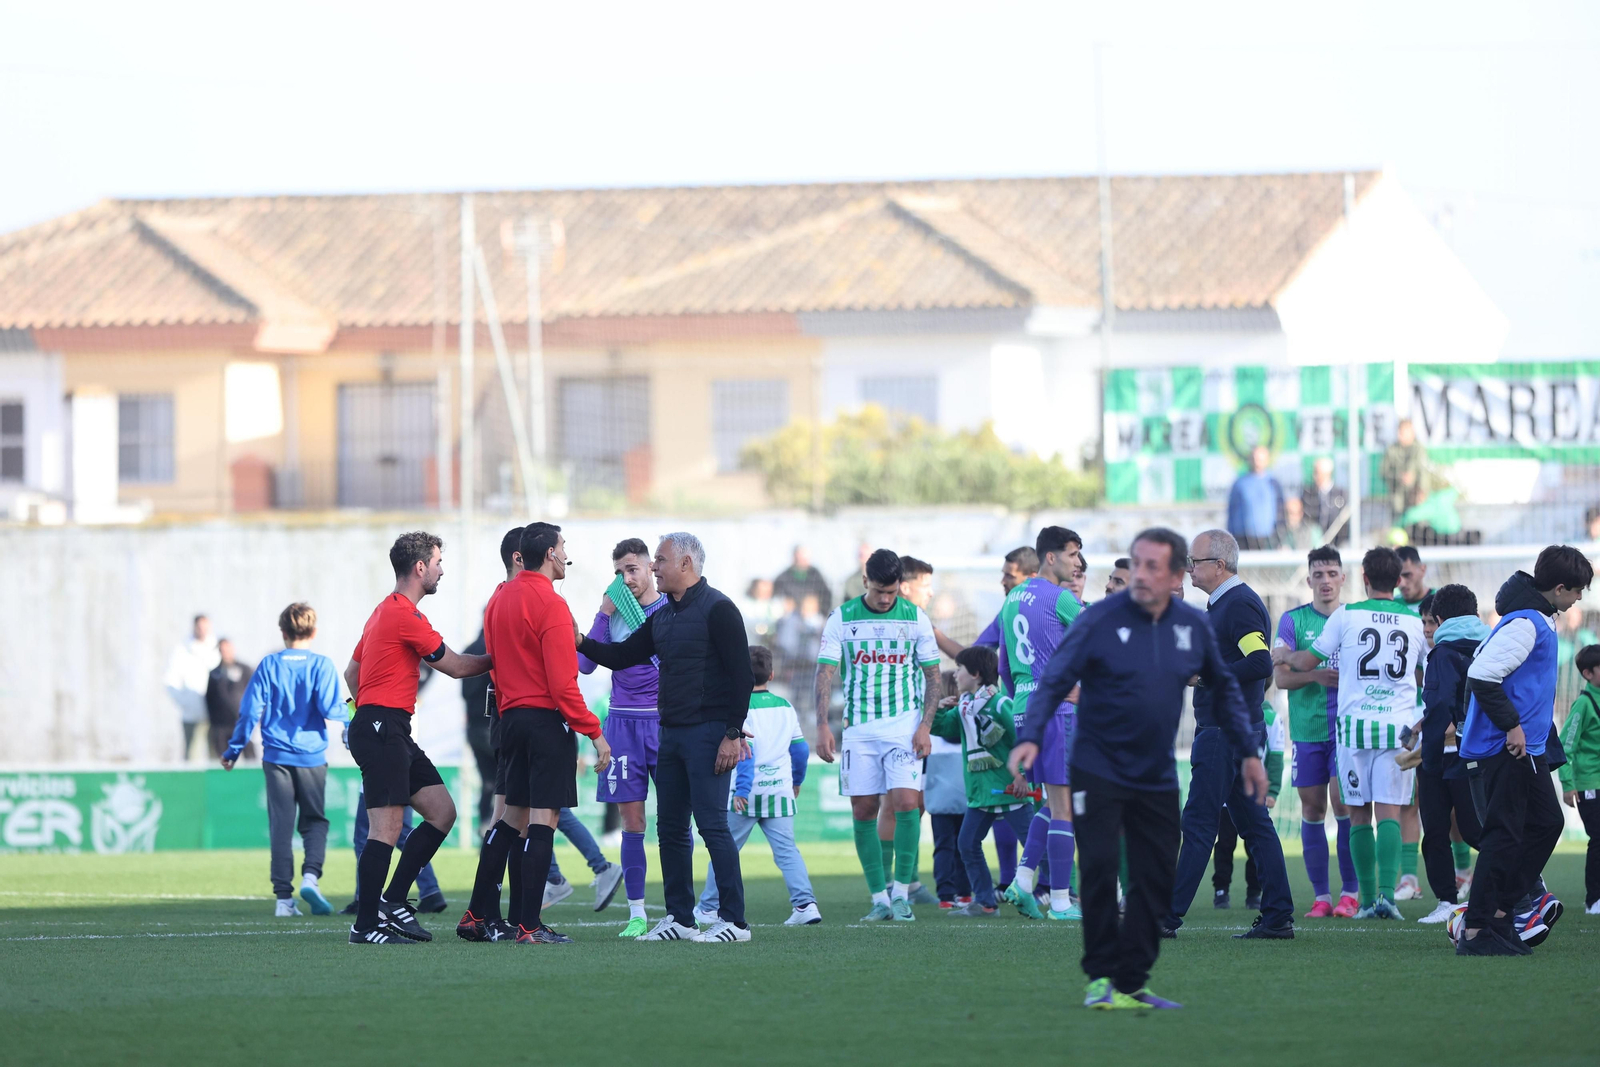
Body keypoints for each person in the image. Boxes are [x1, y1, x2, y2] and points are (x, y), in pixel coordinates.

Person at [1009, 527, 1266, 1011]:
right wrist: (1029, 736)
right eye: (1138, 564)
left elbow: (1226, 691)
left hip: (1156, 774)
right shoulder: (1099, 619)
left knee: (1152, 879)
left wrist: (1250, 753)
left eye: (1155, 566)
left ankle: (1132, 980)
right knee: (1102, 872)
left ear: (1175, 575)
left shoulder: (1193, 625)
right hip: (1097, 768)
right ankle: (1101, 981)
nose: (1144, 574)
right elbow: (1055, 678)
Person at [579, 532, 757, 943]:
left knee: (712, 826)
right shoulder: (663, 617)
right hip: (670, 733)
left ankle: (735, 922)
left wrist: (731, 734)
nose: (654, 567)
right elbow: (622, 656)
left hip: (710, 734)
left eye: (658, 560)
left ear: (686, 565)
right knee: (671, 829)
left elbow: (742, 676)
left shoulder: (720, 609)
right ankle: (680, 918)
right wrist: (581, 641)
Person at [343, 531, 491, 946]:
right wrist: (506, 656)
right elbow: (459, 667)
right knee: (385, 831)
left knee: (442, 812)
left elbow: (351, 675)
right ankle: (365, 925)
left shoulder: (381, 612)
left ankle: (392, 901)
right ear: (420, 567)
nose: (442, 569)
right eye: (439, 562)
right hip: (382, 728)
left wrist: (370, 710)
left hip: (388, 727)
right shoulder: (403, 615)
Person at [1455, 546, 1591, 954]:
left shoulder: (1538, 618)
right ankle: (1476, 931)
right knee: (1503, 835)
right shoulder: (1527, 623)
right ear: (1560, 588)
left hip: (1526, 749)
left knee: (1547, 824)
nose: (1580, 599)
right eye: (1578, 591)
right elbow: (1481, 674)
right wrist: (1512, 726)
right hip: (1505, 747)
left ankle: (1501, 914)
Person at [1282, 547, 1425, 921]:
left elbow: (1308, 661)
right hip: (1397, 730)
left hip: (1354, 731)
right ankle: (1388, 897)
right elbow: (1426, 674)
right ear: (1398, 581)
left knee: (1359, 816)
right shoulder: (1412, 621)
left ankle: (1362, 902)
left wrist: (1285, 657)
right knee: (1390, 814)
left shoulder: (1346, 616)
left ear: (1361, 578)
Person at [1165, 529, 1295, 938]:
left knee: (1200, 823)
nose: (1189, 569)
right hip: (1232, 730)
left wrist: (1206, 678)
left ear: (1219, 565)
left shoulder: (1238, 604)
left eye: (1195, 561)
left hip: (1224, 731)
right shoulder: (1222, 606)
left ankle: (1165, 917)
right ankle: (1277, 916)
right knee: (1254, 825)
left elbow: (1259, 663)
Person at [813, 548, 940, 922]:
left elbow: (933, 677)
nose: (885, 599)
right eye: (879, 591)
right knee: (865, 809)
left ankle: (902, 893)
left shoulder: (915, 617)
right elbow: (825, 673)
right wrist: (822, 724)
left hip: (904, 727)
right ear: (865, 581)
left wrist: (924, 726)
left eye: (892, 592)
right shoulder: (842, 618)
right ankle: (879, 898)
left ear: (900, 586)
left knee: (906, 803)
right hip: (859, 730)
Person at [221, 602, 344, 916]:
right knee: (315, 821)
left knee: (281, 825)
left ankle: (283, 901)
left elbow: (250, 711)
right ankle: (311, 878)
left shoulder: (268, 665)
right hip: (312, 757)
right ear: (313, 632)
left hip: (276, 756)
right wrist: (355, 714)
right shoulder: (322, 665)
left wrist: (233, 750)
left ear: (283, 631)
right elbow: (331, 709)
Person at [578, 536, 669, 937]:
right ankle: (636, 914)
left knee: (675, 820)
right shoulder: (614, 611)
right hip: (623, 726)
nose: (626, 578)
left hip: (666, 723)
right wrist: (602, 613)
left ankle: (685, 908)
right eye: (619, 571)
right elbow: (583, 664)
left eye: (632, 569)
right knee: (632, 821)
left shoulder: (671, 607)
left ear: (651, 568)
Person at [696, 646, 819, 926]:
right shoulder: (786, 706)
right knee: (787, 851)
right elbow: (799, 751)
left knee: (724, 850)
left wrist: (741, 789)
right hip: (779, 791)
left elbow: (745, 751)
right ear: (772, 674)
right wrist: (796, 781)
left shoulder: (739, 706)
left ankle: (707, 908)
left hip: (746, 794)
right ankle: (806, 905)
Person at [998, 526, 1083, 922]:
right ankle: (1063, 902)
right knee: (1065, 806)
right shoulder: (1062, 599)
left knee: (1051, 801)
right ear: (1051, 557)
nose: (1077, 562)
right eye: (1071, 554)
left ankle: (1023, 879)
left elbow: (1003, 665)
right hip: (1057, 709)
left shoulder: (1013, 597)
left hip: (1024, 708)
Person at [1273, 545, 1361, 919]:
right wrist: (1314, 675)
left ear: (1343, 578)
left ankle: (1351, 893)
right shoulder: (1292, 621)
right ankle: (1322, 896)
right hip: (1307, 730)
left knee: (1344, 805)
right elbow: (1279, 676)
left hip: (1347, 730)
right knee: (1312, 808)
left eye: (1332, 573)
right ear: (1309, 580)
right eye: (1318, 575)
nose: (1325, 581)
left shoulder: (1356, 619)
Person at [932, 645, 1032, 917]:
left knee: (1037, 844)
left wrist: (1022, 775)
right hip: (981, 792)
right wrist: (939, 709)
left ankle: (1065, 893)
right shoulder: (964, 706)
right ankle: (986, 903)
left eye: (959, 669)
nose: (954, 675)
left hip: (1011, 791)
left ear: (975, 674)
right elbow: (942, 729)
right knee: (967, 844)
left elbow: (1024, 739)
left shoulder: (1001, 703)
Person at [1415, 583, 1488, 924]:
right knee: (1435, 831)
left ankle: (1521, 884)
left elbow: (1444, 705)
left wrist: (1433, 743)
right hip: (1458, 754)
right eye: (1424, 623)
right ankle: (1447, 899)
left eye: (1432, 622)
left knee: (1475, 829)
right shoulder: (1487, 644)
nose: (1429, 629)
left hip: (1458, 755)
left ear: (1443, 620)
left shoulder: (1443, 655)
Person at [1211, 700, 1285, 909]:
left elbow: (1276, 756)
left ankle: (1254, 892)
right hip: (1228, 790)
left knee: (1255, 843)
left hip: (1254, 790)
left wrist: (1272, 790)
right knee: (1225, 843)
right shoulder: (1225, 706)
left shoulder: (1270, 717)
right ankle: (1221, 891)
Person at [1391, 544, 1432, 900]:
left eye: (1407, 574)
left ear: (1421, 569)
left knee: (1449, 799)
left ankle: (1465, 871)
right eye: (1397, 576)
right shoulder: (1388, 610)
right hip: (1405, 718)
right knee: (1407, 797)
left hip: (1438, 715)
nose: (1402, 582)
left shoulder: (1441, 605)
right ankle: (1408, 878)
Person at [926, 669, 973, 908]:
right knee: (966, 846)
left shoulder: (931, 726)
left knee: (943, 846)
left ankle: (945, 895)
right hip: (968, 795)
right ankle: (966, 892)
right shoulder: (968, 718)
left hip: (940, 798)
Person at [1558, 644, 1600, 915]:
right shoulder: (1584, 704)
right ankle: (1593, 900)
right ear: (1588, 673)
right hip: (1589, 784)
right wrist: (1567, 783)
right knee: (1598, 839)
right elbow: (1565, 745)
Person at [165, 614, 218, 761]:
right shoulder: (182, 650)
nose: (203, 630)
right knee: (191, 755)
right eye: (200, 627)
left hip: (215, 714)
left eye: (205, 627)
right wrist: (186, 703)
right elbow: (171, 681)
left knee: (216, 755)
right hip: (191, 714)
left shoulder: (217, 649)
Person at [1227, 445, 1284, 551]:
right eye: (1254, 459)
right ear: (1249, 460)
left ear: (1267, 460)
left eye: (1260, 459)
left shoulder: (1274, 483)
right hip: (1243, 538)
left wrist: (1281, 538)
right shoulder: (1240, 483)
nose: (1257, 462)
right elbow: (1231, 512)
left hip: (1268, 538)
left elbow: (1281, 512)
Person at [206, 639, 255, 760]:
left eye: (227, 649)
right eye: (222, 650)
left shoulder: (244, 669)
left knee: (250, 758)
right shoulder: (214, 674)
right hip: (221, 726)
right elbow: (209, 698)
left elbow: (254, 694)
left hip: (241, 723)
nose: (225, 653)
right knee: (223, 760)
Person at [1380, 418, 1428, 519]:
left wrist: (1422, 491)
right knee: (1397, 515)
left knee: (1418, 521)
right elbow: (1383, 472)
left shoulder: (1419, 449)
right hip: (1397, 494)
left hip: (1415, 494)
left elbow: (1423, 473)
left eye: (1403, 432)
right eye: (1399, 432)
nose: (1399, 435)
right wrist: (1399, 477)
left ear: (1411, 433)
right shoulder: (1391, 450)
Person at [774, 544, 833, 618]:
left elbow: (826, 596)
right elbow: (777, 597)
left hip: (813, 616)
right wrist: (785, 604)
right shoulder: (783, 578)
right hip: (791, 616)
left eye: (804, 559)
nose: (801, 561)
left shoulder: (816, 576)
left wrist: (817, 606)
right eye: (799, 558)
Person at [1302, 456, 1349, 545]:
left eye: (1317, 473)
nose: (1314, 476)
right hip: (1315, 544)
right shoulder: (1308, 494)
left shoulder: (1341, 494)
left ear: (1327, 474)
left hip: (1338, 543)